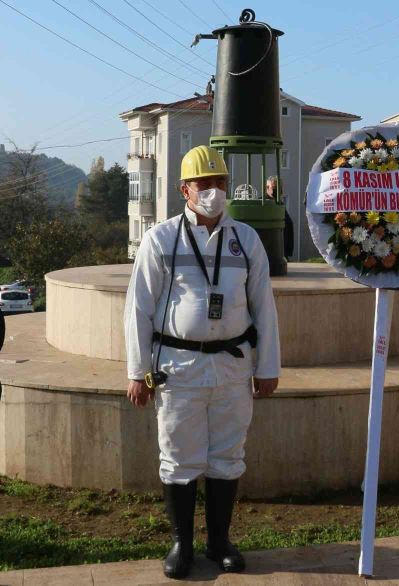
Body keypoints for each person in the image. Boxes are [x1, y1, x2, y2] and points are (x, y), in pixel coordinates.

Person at [124, 145, 281, 579]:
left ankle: (219, 542)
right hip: (178, 367)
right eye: (205, 184)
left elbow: (263, 307)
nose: (214, 192)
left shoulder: (245, 240)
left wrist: (267, 367)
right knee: (178, 455)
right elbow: (138, 308)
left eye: (221, 183)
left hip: (232, 365)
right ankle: (182, 545)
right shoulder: (161, 239)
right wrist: (137, 371)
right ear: (184, 190)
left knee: (227, 455)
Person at [265, 176, 294, 258]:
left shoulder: (279, 203)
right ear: (267, 188)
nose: (277, 190)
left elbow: (288, 224)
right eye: (274, 187)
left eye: (278, 187)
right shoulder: (264, 202)